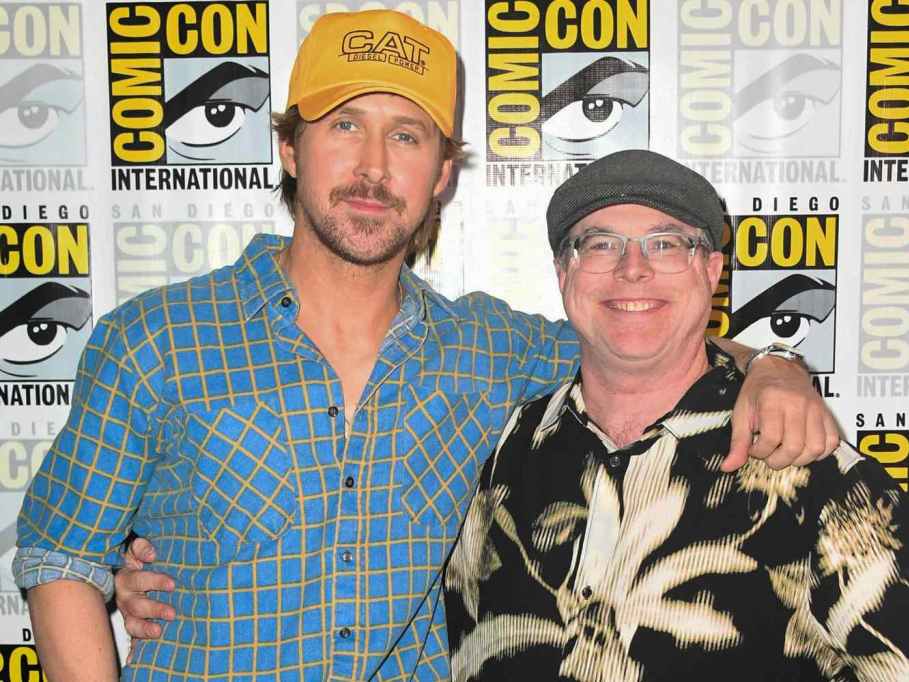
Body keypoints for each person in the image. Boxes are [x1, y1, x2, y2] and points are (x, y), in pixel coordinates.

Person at [14, 11, 837, 682]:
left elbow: (640, 339)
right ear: (291, 149)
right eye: (345, 126)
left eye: (407, 136)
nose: (373, 168)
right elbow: (61, 560)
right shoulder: (154, 342)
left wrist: (774, 365)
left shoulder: (491, 348)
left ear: (443, 172)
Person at [443, 150, 909, 682]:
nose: (632, 268)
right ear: (563, 273)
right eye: (599, 244)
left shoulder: (798, 461)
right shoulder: (508, 452)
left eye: (666, 244)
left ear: (712, 271)